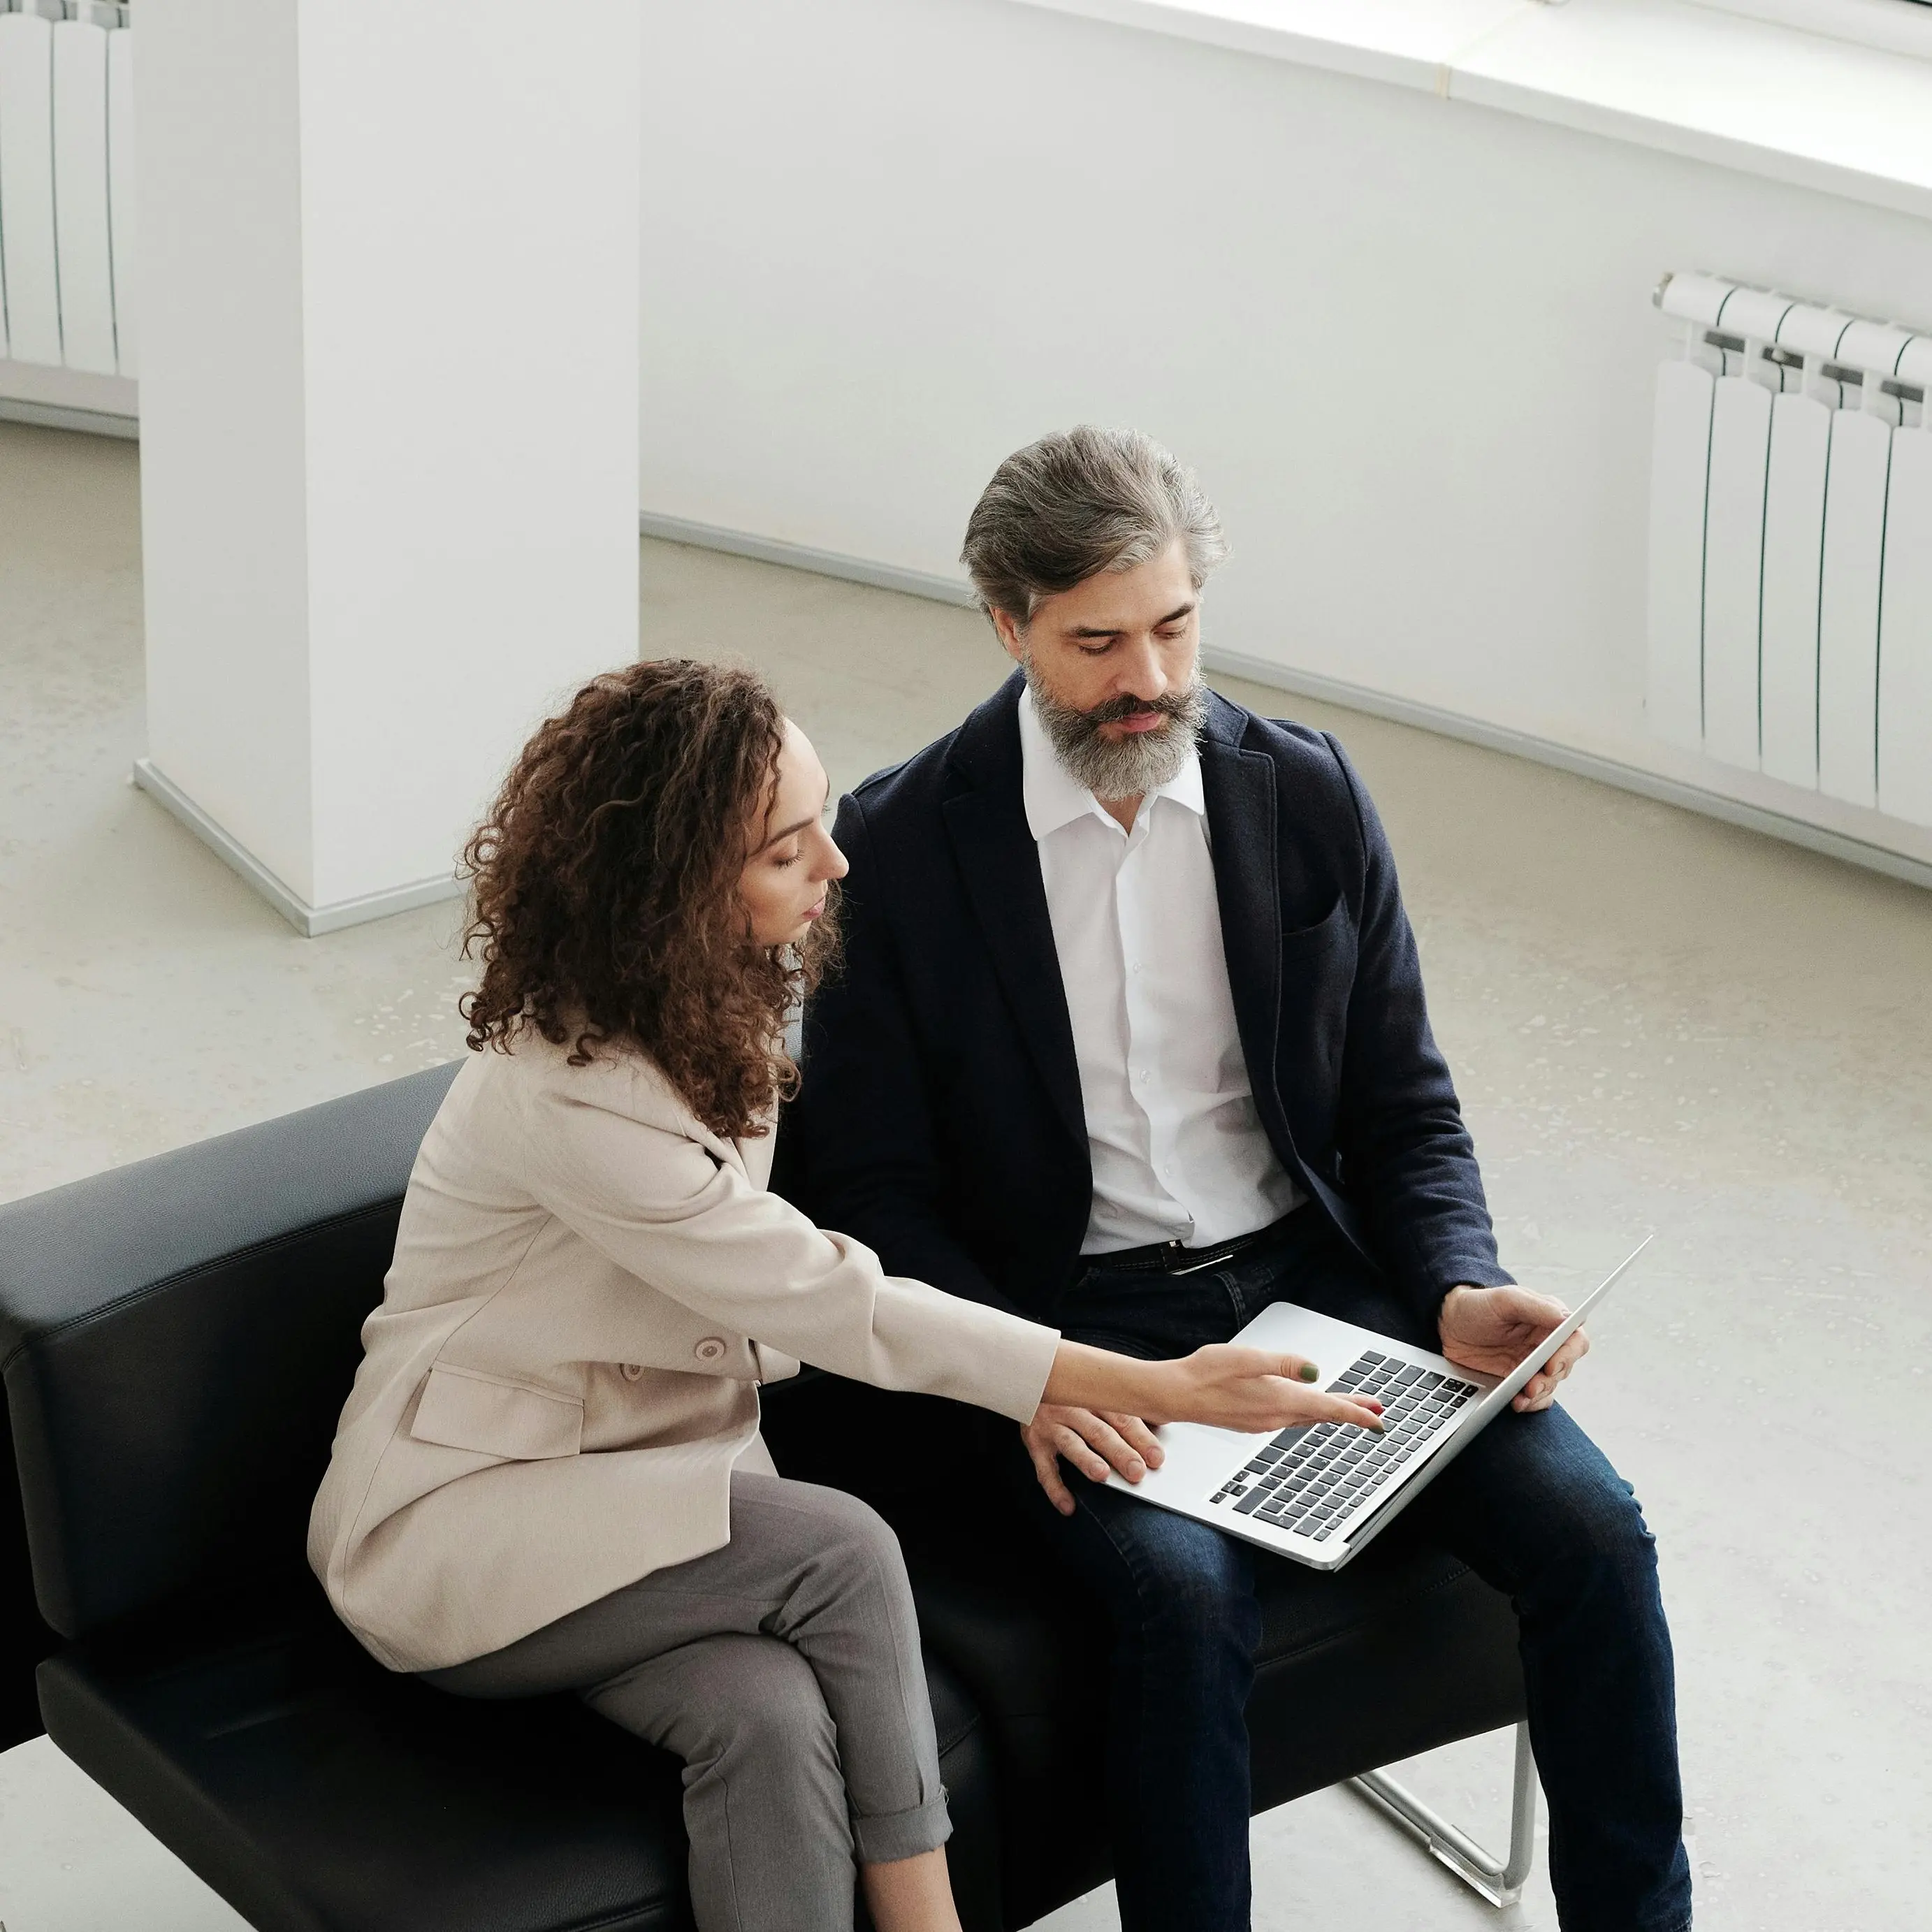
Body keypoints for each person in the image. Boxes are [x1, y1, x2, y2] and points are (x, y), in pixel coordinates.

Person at [780, 429, 1694, 1932]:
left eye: (1173, 625)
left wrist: (1458, 1282)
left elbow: (1402, 1106)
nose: (1146, 675)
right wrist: (1027, 1373)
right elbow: (867, 1187)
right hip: (1071, 1316)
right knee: (1183, 1597)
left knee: (1592, 1529)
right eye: (1095, 641)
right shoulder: (901, 846)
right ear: (1006, 625)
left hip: (1308, 1283)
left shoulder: (1304, 795)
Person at [307, 659, 1380, 1932]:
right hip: (463, 1525)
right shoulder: (575, 1091)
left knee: (762, 1719)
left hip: (641, 1506)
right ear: (677, 894)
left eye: (820, 818)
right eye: (787, 848)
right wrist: (1147, 1382)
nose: (837, 862)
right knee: (845, 1550)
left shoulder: (714, 998)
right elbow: (830, 1300)